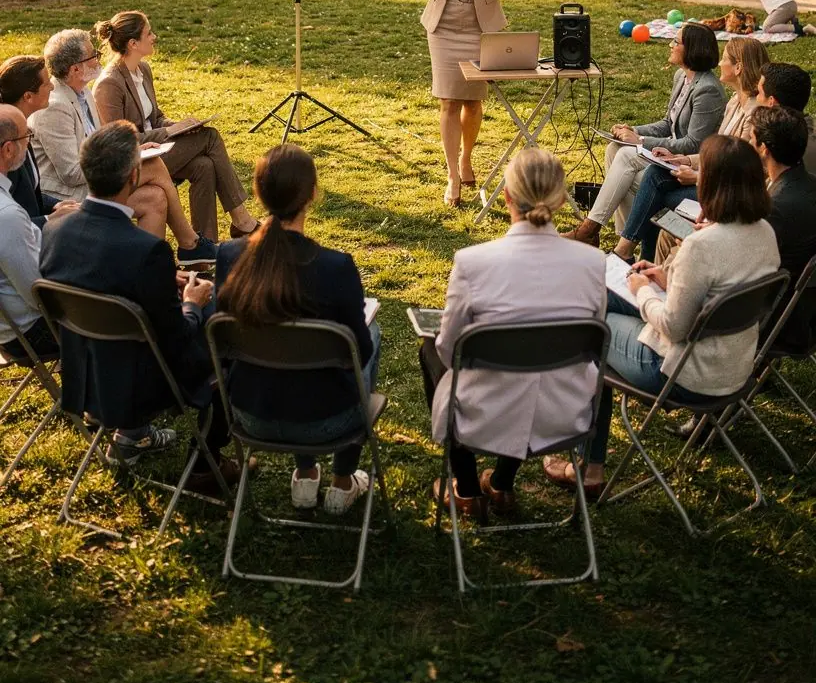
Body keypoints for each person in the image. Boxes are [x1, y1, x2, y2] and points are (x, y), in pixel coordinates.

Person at [543, 135, 781, 496]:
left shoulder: (703, 246)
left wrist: (643, 291)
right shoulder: (764, 233)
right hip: (735, 365)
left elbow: (673, 325)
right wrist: (667, 277)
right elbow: (721, 289)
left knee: (590, 326)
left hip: (684, 372)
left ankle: (588, 467)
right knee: (597, 292)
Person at [38, 121, 235, 486]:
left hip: (83, 376)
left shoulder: (54, 230)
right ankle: (205, 466)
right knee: (226, 329)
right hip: (144, 385)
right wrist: (192, 303)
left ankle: (131, 435)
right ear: (133, 176)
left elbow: (98, 280)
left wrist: (161, 282)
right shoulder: (146, 251)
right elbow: (177, 341)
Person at [420, 150, 606, 518]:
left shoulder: (473, 263)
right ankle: (502, 482)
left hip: (482, 413)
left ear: (506, 195)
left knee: (429, 347)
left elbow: (448, 349)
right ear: (559, 197)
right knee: (532, 367)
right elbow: (593, 344)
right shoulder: (593, 263)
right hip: (565, 414)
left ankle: (468, 489)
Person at [216, 145, 378, 515]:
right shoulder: (335, 267)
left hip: (248, 415)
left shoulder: (228, 256)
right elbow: (362, 354)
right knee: (372, 334)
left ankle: (306, 475)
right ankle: (341, 482)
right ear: (313, 195)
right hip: (328, 422)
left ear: (258, 193)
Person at [380, 0, 524, 206]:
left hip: (479, 23)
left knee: (473, 102)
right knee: (448, 101)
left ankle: (466, 157)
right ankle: (452, 176)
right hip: (444, 24)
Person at [30, 28, 211, 263]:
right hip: (65, 195)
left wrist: (130, 151)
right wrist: (130, 158)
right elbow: (71, 173)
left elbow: (98, 144)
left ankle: (145, 269)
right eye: (93, 55)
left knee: (155, 198)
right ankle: (189, 243)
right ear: (75, 69)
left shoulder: (82, 91)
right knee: (154, 166)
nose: (98, 58)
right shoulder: (55, 107)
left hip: (93, 184)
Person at [92, 11, 256, 243]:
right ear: (133, 43)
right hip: (134, 161)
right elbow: (119, 142)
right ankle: (242, 221)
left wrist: (180, 127)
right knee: (211, 138)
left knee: (205, 165)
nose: (154, 37)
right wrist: (168, 132)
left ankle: (203, 250)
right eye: (149, 33)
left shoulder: (143, 70)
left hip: (159, 148)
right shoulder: (109, 83)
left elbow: (156, 117)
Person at [565, 23, 726, 246]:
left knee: (625, 157)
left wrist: (640, 141)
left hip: (687, 164)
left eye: (676, 42)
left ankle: (590, 229)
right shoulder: (682, 76)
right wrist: (632, 131)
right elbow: (668, 123)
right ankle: (622, 238)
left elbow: (693, 143)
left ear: (692, 49)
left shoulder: (707, 90)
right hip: (668, 153)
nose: (670, 45)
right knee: (615, 148)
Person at [613, 37, 769, 260]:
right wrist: (683, 160)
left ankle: (629, 253)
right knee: (656, 173)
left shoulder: (753, 113)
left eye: (724, 58)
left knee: (660, 197)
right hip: (714, 179)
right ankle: (632, 254)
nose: (719, 64)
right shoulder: (735, 101)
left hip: (728, 191)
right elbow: (717, 152)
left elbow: (738, 168)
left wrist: (697, 177)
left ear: (738, 67)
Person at [751, 106, 816, 353]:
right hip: (806, 312)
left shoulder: (775, 207)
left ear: (764, 149)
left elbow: (746, 268)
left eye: (751, 138)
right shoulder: (808, 185)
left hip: (778, 322)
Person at [0, 106, 57, 363]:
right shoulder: (8, 215)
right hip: (25, 335)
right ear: (8, 149)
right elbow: (40, 296)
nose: (29, 143)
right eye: (27, 137)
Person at [0, 55, 78, 225]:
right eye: (46, 83)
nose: (52, 86)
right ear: (28, 96)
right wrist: (49, 219)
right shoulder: (9, 143)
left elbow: (30, 194)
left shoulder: (21, 129)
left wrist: (56, 205)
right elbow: (8, 219)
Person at [757, 62, 816, 172]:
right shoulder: (804, 133)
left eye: (759, 93)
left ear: (772, 102)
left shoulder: (790, 153)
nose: (756, 99)